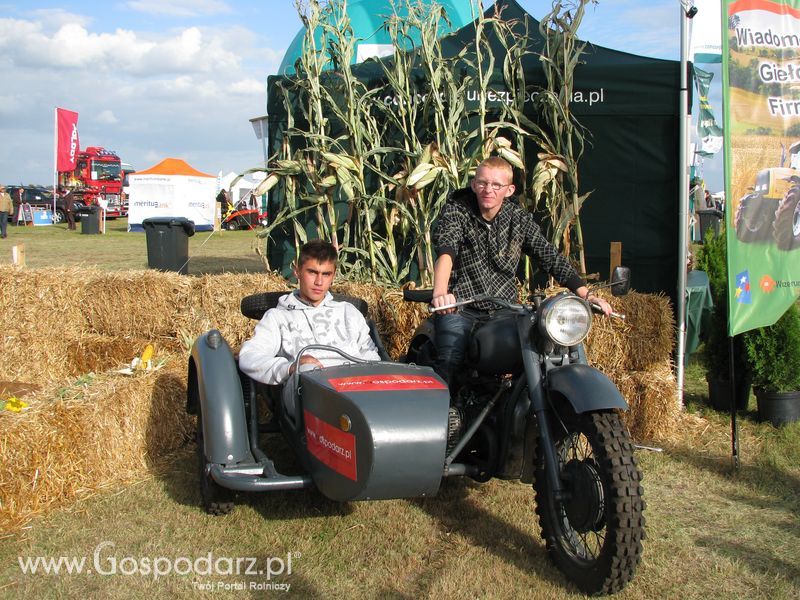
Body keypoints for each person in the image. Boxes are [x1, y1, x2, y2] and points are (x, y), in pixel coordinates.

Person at [431, 156, 612, 389]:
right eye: (483, 183)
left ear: (509, 189)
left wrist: (586, 295)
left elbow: (550, 256)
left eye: (496, 185)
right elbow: (447, 250)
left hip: (504, 310)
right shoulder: (457, 211)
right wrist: (441, 293)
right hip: (461, 308)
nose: (489, 190)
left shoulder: (517, 219)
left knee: (542, 344)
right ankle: (446, 417)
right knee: (449, 358)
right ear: (474, 184)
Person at [238, 239, 381, 392]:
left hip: (355, 388)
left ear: (333, 276)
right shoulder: (277, 317)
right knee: (307, 370)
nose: (319, 282)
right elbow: (249, 357)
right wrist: (290, 367)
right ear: (297, 271)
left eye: (326, 274)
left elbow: (372, 358)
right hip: (305, 393)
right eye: (312, 272)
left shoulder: (348, 312)